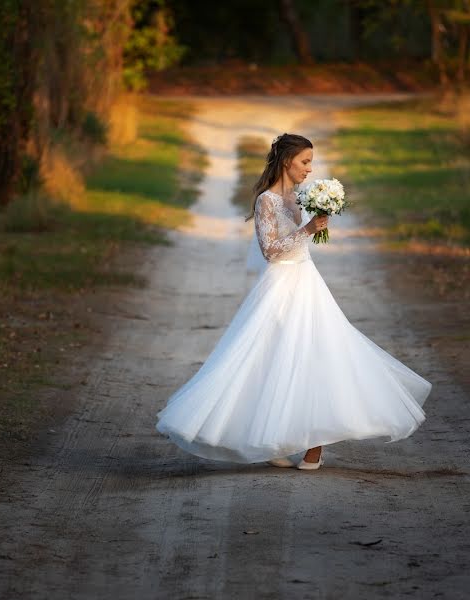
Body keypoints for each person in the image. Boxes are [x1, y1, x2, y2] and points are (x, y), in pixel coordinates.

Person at [155, 133, 431, 470]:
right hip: (279, 284)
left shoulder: (298, 198)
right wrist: (309, 229)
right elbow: (270, 251)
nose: (309, 169)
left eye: (311, 163)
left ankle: (315, 443)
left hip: (307, 281)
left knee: (317, 354)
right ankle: (270, 438)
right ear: (287, 161)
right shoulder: (266, 201)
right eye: (304, 162)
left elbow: (301, 243)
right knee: (270, 358)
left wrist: (317, 219)